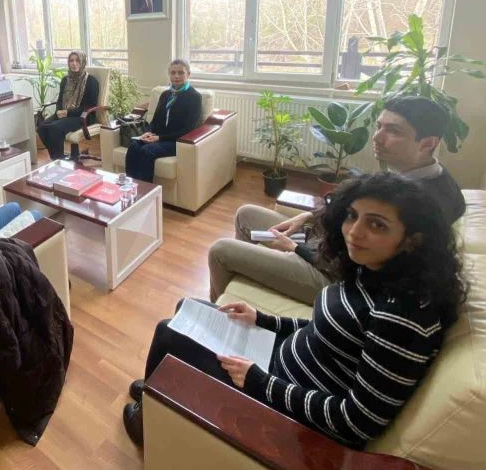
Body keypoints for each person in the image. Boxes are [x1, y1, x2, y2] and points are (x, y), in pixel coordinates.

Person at [123, 173, 467, 448]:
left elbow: (356, 422)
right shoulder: (373, 270)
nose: (354, 232)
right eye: (352, 216)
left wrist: (260, 382)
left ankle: (148, 422)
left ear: (412, 240)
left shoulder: (401, 316)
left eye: (377, 225)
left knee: (168, 330)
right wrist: (264, 320)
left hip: (283, 402)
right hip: (276, 362)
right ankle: (157, 393)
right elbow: (326, 330)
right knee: (188, 308)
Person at [208, 94, 467, 303]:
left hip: (334, 276)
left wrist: (296, 249)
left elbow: (363, 269)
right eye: (379, 126)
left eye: (394, 131)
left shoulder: (426, 203)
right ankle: (249, 279)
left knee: (221, 251)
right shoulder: (413, 175)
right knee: (247, 214)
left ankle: (217, 312)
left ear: (428, 143)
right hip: (324, 248)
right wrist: (307, 217)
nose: (377, 137)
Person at [124, 59, 202, 183]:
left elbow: (188, 129)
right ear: (169, 74)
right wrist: (148, 132)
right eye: (173, 73)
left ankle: (145, 190)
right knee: (134, 147)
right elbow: (155, 120)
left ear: (188, 74)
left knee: (146, 151)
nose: (176, 76)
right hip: (158, 137)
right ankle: (130, 186)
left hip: (176, 141)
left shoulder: (194, 97)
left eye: (181, 73)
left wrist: (159, 138)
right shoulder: (165, 94)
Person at [36, 50, 99, 160]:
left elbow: (90, 106)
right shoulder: (65, 80)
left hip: (83, 117)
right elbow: (60, 100)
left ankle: (58, 159)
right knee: (42, 126)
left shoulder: (91, 81)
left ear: (83, 62)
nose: (74, 63)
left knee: (55, 128)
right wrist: (58, 111)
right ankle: (56, 157)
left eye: (77, 61)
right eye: (71, 61)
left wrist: (67, 113)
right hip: (65, 114)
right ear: (68, 63)